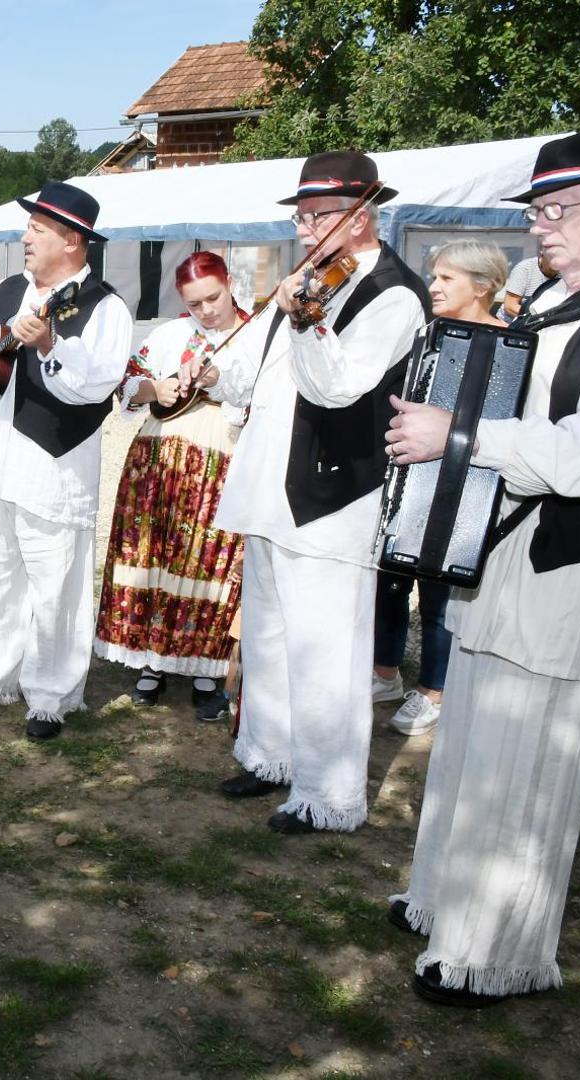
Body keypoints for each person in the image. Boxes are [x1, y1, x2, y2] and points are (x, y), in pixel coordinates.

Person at [385, 130, 580, 1007]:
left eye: (560, 209)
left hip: (567, 563)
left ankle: (496, 954)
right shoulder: (553, 305)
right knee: (473, 743)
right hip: (496, 547)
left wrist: (456, 435)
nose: (541, 227)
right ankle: (445, 906)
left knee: (527, 749)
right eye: (537, 211)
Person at [186, 151, 429, 833]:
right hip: (271, 481)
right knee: (267, 634)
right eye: (300, 215)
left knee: (326, 648)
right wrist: (212, 372)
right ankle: (271, 757)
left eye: (318, 215)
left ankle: (330, 794)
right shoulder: (307, 280)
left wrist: (304, 318)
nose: (304, 226)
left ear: (362, 217)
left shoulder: (395, 293)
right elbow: (256, 375)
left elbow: (338, 384)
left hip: (333, 494)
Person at [0, 181, 133, 741]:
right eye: (29, 228)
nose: (25, 238)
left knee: (56, 586)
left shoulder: (103, 306)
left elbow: (94, 385)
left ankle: (51, 696)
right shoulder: (2, 292)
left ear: (71, 240)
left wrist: (48, 345)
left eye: (37, 230)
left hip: (54, 468)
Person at [93, 252, 246, 721]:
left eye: (213, 297)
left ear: (230, 283)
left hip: (222, 457)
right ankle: (150, 661)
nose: (205, 310)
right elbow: (127, 381)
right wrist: (153, 389)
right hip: (158, 456)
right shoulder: (170, 334)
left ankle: (204, 667)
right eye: (194, 302)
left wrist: (225, 384)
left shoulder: (257, 334)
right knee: (151, 554)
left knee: (207, 559)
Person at [373, 240, 509, 737]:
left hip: (465, 488)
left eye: (447, 278)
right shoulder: (427, 335)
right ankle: (384, 673)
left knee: (439, 594)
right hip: (411, 477)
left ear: (484, 285)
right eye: (435, 276)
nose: (433, 286)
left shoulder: (512, 345)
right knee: (390, 578)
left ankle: (434, 690)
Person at [501, 251, 558, 321]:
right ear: (541, 255)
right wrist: (537, 318)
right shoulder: (525, 269)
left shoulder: (567, 274)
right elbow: (510, 306)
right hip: (510, 324)